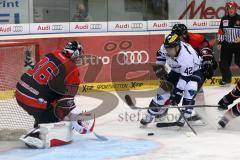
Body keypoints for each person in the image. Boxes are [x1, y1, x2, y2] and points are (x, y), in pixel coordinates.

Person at [15, 41, 95, 148]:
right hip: (34, 101)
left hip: (19, 92)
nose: (80, 57)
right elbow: (67, 103)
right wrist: (78, 120)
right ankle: (37, 135)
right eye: (79, 54)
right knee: (58, 119)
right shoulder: (72, 69)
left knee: (51, 103)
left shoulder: (54, 53)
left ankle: (41, 124)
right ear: (75, 54)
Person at [140, 33, 203, 126]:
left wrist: (176, 95)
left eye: (170, 49)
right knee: (162, 93)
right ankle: (149, 115)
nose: (168, 51)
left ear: (177, 47)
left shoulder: (186, 57)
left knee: (189, 90)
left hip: (194, 71)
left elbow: (184, 79)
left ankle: (185, 115)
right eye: (167, 48)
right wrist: (160, 70)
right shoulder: (165, 48)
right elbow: (160, 55)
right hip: (176, 71)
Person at [217, 1, 240, 86]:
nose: (231, 10)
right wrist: (220, 42)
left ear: (236, 9)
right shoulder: (224, 19)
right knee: (223, 62)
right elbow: (221, 31)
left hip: (238, 44)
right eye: (229, 8)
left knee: (239, 61)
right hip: (226, 43)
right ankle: (226, 80)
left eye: (233, 8)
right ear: (227, 9)